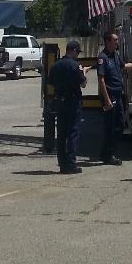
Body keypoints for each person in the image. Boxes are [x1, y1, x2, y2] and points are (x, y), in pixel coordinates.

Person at [97, 30, 132, 165]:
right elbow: (101, 80)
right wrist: (106, 100)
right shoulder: (103, 58)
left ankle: (107, 152)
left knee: (119, 125)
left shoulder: (115, 56)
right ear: (108, 42)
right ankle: (108, 155)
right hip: (110, 94)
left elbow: (125, 66)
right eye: (115, 40)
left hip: (118, 94)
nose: (117, 42)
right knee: (110, 127)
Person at [47, 39, 86, 174]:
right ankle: (71, 164)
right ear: (73, 50)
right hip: (73, 101)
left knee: (62, 134)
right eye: (77, 52)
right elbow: (83, 83)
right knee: (73, 133)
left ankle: (62, 163)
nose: (78, 55)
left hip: (60, 101)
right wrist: (84, 72)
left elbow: (50, 83)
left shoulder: (55, 65)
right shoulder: (75, 66)